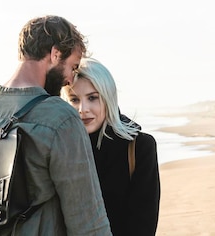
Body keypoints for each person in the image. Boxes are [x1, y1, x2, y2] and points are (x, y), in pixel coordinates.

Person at [0, 16, 112, 235]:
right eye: (72, 67)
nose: (70, 79)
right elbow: (87, 223)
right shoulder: (61, 118)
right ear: (55, 54)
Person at [61, 58, 161, 236]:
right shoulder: (63, 150)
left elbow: (143, 224)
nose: (83, 109)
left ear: (108, 98)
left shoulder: (139, 147)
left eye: (92, 98)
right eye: (74, 100)